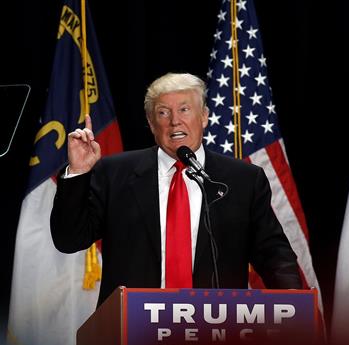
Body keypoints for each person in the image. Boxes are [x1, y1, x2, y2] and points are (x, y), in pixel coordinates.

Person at [51, 72, 301, 306]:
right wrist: (78, 173)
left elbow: (273, 253)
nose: (174, 121)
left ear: (203, 116)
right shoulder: (115, 172)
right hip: (132, 331)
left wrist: (293, 304)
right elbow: (69, 239)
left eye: (184, 109)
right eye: (163, 113)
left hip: (216, 328)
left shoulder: (243, 179)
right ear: (151, 123)